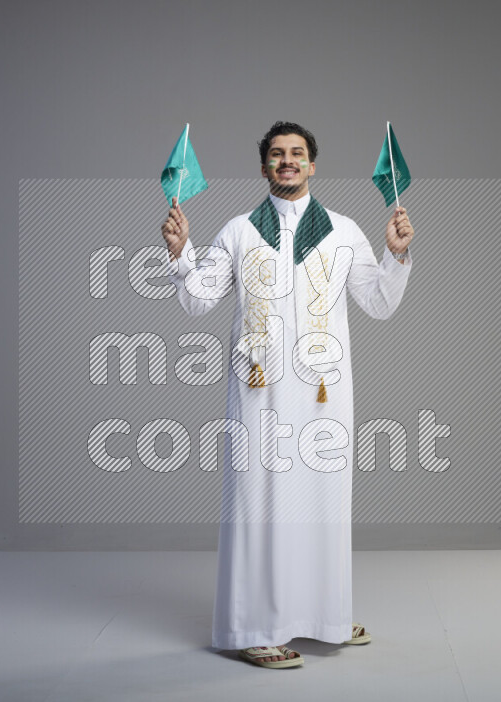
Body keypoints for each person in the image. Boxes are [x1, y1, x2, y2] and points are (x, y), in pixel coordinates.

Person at [161, 121, 414, 668]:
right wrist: (182, 253)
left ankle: (323, 616)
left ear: (313, 165)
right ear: (264, 168)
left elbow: (378, 302)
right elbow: (198, 300)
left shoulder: (344, 231)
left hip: (325, 392)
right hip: (259, 393)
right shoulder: (238, 231)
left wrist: (394, 255)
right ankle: (253, 627)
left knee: (322, 504)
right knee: (260, 506)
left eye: (297, 154)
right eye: (277, 155)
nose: (288, 162)